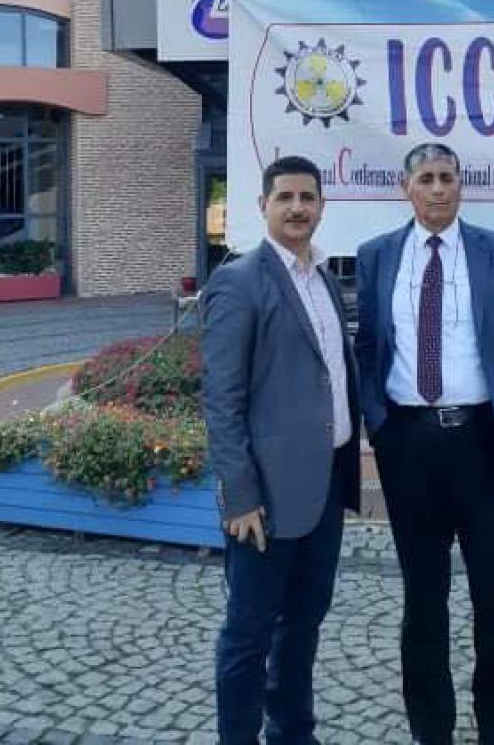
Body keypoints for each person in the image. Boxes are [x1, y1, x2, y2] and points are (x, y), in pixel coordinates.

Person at [355, 142, 494, 745]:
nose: (438, 189)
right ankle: (432, 731)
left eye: (447, 177)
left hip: (487, 448)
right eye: (425, 178)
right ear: (405, 188)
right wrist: (380, 423)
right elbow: (368, 348)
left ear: (461, 184)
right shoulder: (376, 257)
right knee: (423, 601)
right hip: (410, 450)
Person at [202, 154, 361, 745]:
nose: (298, 207)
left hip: (325, 488)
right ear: (263, 205)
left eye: (307, 197)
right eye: (286, 197)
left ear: (321, 206)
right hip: (264, 500)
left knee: (303, 624)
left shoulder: (324, 279)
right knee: (248, 634)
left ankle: (293, 732)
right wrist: (240, 495)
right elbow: (221, 398)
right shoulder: (239, 282)